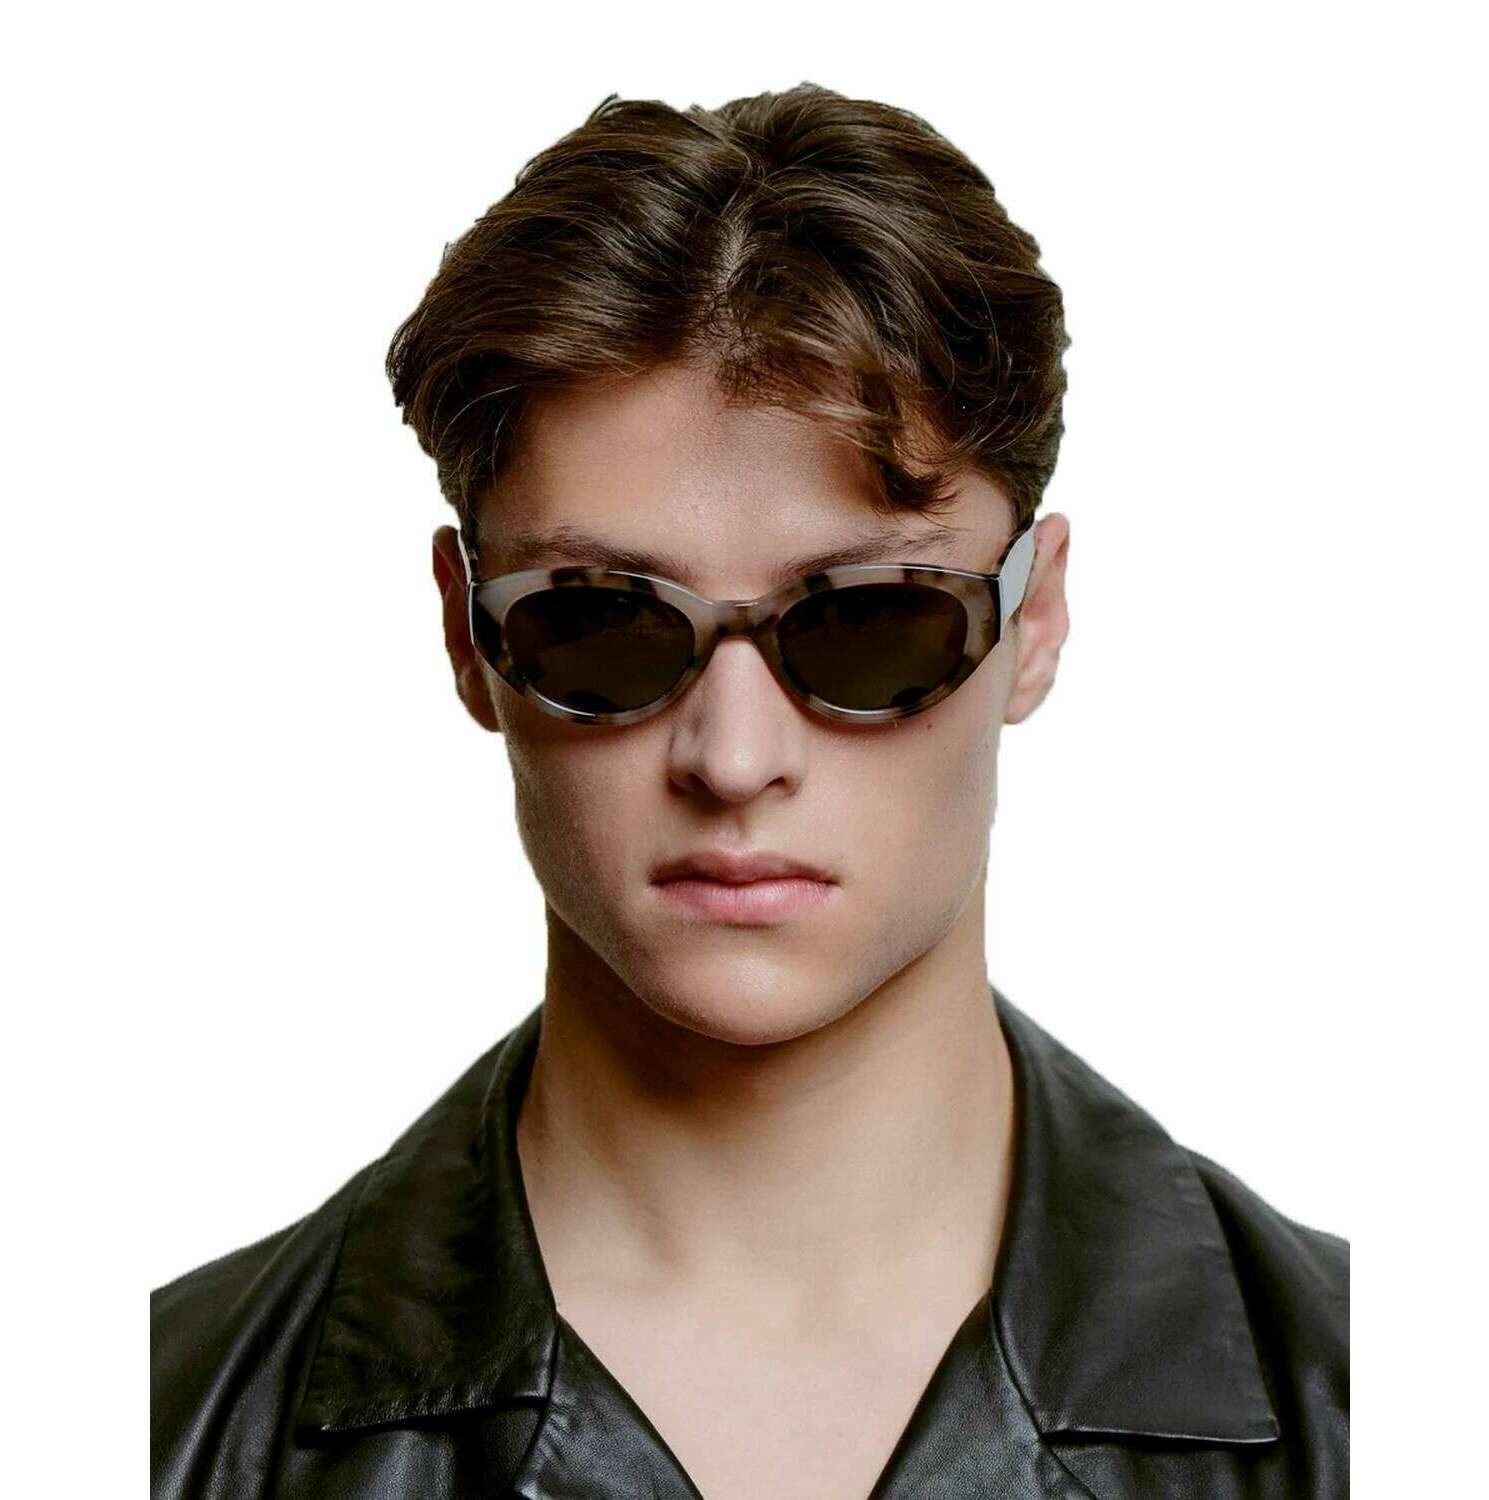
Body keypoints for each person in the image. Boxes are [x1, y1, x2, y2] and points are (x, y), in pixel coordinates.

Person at [151, 83, 1350, 1498]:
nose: (732, 758)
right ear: (467, 635)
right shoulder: (152, 1432)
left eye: (870, 620)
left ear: (1033, 624)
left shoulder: (1386, 1412)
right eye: (601, 622)